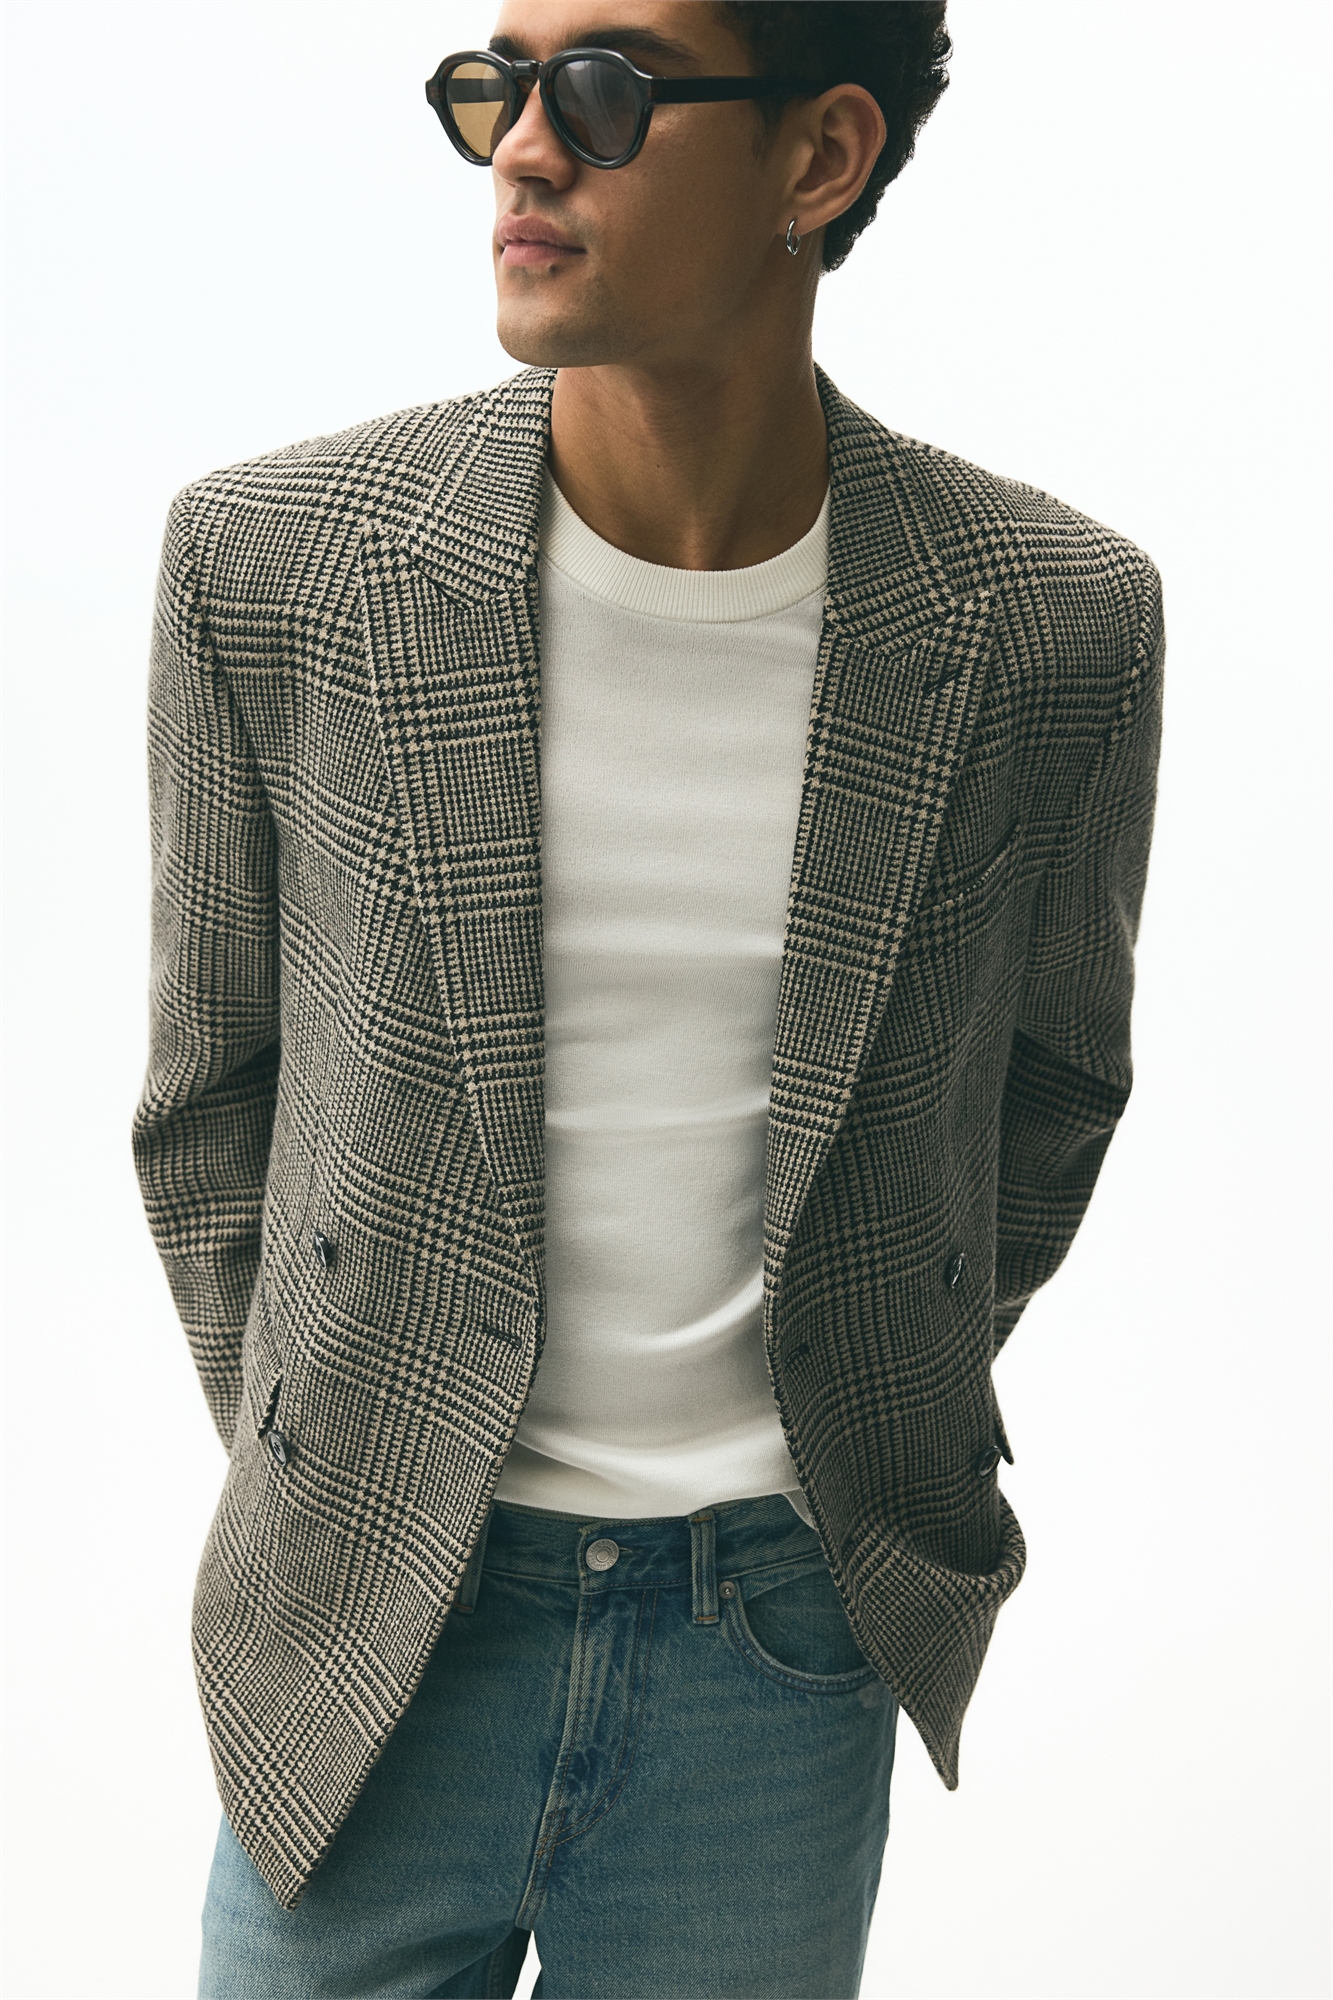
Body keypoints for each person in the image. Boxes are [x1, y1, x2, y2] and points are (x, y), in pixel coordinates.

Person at [132, 3, 1163, 1994]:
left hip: (770, 1654)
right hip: (371, 1635)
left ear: (817, 156)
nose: (523, 148)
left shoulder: (1050, 622)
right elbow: (209, 1099)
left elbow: (1048, 1094)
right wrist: (344, 1460)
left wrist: (860, 1392)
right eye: (492, 84)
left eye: (602, 91)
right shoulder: (276, 568)